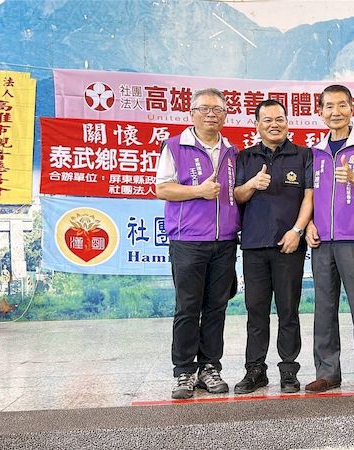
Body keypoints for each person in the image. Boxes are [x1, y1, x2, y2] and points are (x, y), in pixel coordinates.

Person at [156, 88, 239, 399]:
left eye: (217, 110)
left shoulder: (231, 151)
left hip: (225, 241)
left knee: (216, 307)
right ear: (192, 113)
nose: (211, 114)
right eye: (204, 108)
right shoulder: (175, 147)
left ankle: (209, 367)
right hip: (188, 240)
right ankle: (183, 371)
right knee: (188, 308)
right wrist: (198, 191)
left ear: (225, 115)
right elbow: (162, 189)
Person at [304, 85, 354, 396]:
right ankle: (327, 373)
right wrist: (308, 224)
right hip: (322, 242)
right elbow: (308, 196)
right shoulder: (314, 152)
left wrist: (353, 178)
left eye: (341, 105)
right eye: (329, 106)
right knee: (324, 308)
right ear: (320, 112)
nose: (335, 112)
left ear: (353, 108)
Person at [233, 99, 313, 395]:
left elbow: (310, 196)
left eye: (279, 119)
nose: (274, 124)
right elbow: (236, 195)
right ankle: (255, 370)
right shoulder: (245, 157)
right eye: (267, 120)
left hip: (289, 245)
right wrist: (252, 184)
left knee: (288, 310)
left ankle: (289, 370)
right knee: (256, 311)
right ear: (257, 125)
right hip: (254, 245)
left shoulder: (303, 155)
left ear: (287, 122)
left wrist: (297, 231)